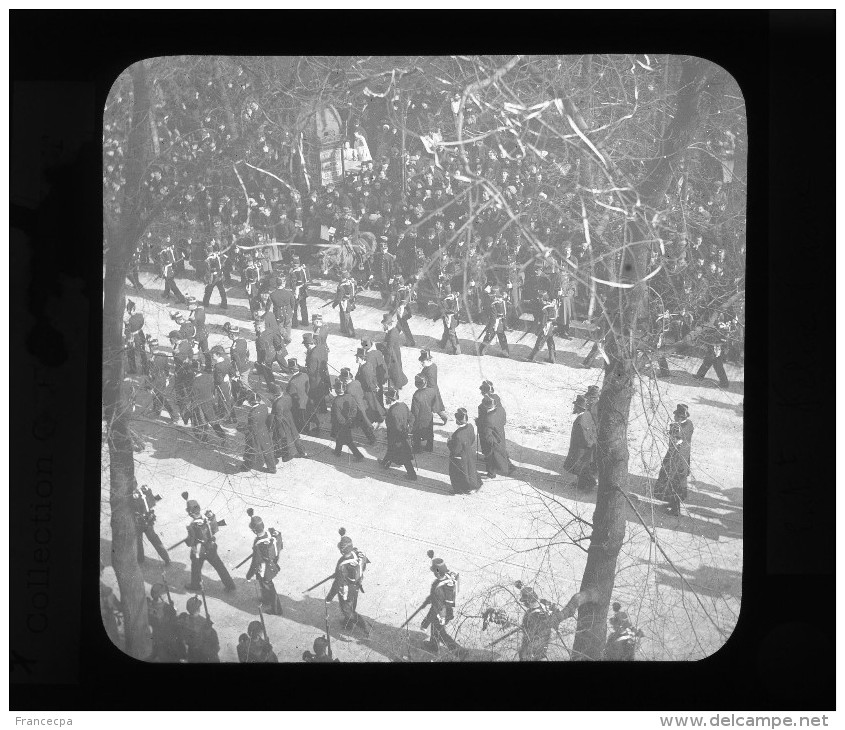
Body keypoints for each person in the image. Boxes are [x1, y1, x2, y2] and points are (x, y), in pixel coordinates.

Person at [182, 494, 236, 592]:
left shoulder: (192, 526)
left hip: (199, 551)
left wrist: (187, 540)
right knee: (220, 567)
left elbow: (191, 542)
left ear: (191, 514)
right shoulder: (208, 519)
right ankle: (230, 585)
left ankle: (195, 585)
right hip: (211, 547)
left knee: (195, 567)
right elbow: (215, 530)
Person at [420, 553, 468, 659]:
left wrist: (434, 619)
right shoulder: (447, 579)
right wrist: (429, 600)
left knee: (441, 634)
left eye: (434, 572)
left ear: (437, 573)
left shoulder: (439, 588)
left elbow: (438, 605)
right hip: (444, 610)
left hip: (441, 613)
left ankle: (460, 652)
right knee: (435, 629)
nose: (434, 574)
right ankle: (433, 646)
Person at [325, 528, 371, 636]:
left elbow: (337, 585)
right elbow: (363, 565)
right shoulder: (358, 554)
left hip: (346, 590)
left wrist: (329, 598)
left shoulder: (342, 565)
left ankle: (365, 626)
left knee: (347, 610)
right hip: (356, 587)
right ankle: (348, 624)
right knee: (352, 605)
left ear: (341, 551)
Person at [653, 404, 694, 516]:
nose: (674, 417)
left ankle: (676, 509)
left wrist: (672, 431)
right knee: (677, 481)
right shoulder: (689, 424)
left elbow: (674, 443)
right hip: (684, 457)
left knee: (673, 481)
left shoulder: (676, 427)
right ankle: (672, 503)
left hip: (675, 458)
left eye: (676, 415)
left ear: (680, 417)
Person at [245, 510, 283, 616]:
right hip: (273, 564)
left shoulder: (258, 544)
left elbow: (255, 563)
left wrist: (249, 575)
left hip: (265, 569)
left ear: (254, 531)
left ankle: (277, 610)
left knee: (269, 588)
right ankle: (266, 599)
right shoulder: (272, 534)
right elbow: (280, 544)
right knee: (264, 584)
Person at [515, 583, 564, 662]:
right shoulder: (544, 602)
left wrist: (523, 652)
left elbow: (528, 636)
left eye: (525, 602)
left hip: (535, 644)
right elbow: (557, 611)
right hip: (545, 639)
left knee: (526, 656)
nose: (524, 604)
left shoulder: (530, 616)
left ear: (529, 602)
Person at [380, 387, 417, 480]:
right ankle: (385, 463)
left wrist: (403, 434)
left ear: (390, 399)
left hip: (397, 437)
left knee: (404, 457)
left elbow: (396, 428)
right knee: (391, 450)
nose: (385, 400)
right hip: (402, 435)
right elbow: (412, 417)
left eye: (386, 398)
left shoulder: (393, 412)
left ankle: (412, 475)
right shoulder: (403, 405)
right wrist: (409, 429)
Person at [131, 480, 170, 565]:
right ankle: (166, 558)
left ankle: (140, 560)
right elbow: (152, 502)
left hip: (138, 523)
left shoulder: (129, 497)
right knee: (155, 540)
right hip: (148, 521)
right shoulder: (144, 491)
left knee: (138, 541)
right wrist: (156, 498)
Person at [563, 394, 598, 491]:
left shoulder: (582, 418)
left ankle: (588, 485)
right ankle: (582, 484)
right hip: (582, 447)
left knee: (581, 467)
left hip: (581, 448)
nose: (574, 407)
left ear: (579, 408)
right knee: (581, 467)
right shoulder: (586, 415)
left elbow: (585, 434)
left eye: (576, 406)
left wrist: (589, 445)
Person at [477, 394, 516, 479]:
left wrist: (479, 423)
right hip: (500, 435)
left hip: (493, 442)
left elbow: (487, 436)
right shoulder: (501, 410)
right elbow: (504, 422)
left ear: (486, 406)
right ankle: (509, 467)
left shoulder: (488, 418)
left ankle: (491, 474)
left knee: (490, 457)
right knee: (502, 453)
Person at [267, 384, 309, 461]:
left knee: (285, 439)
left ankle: (287, 455)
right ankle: (302, 452)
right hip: (289, 418)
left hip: (283, 422)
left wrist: (272, 423)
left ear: (274, 394)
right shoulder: (287, 397)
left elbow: (278, 418)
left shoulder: (277, 404)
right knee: (295, 436)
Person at [188, 360, 227, 443]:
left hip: (200, 404)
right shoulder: (209, 376)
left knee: (201, 422)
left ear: (194, 371)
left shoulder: (194, 383)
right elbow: (213, 388)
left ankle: (204, 438)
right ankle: (223, 436)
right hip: (210, 401)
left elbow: (194, 397)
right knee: (213, 420)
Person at [446, 408, 481, 494]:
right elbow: (472, 439)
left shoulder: (458, 435)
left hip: (460, 457)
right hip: (469, 452)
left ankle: (459, 490)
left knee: (457, 474)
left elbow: (455, 450)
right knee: (470, 471)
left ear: (457, 421)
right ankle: (473, 486)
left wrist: (449, 442)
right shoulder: (470, 426)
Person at [147, 583, 185, 662]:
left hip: (156, 637)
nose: (165, 596)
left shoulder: (149, 605)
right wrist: (172, 611)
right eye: (164, 594)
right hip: (165, 639)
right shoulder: (166, 608)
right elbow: (172, 623)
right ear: (160, 596)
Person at [241, 391, 277, 474]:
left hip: (255, 434)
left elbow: (252, 427)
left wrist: (244, 429)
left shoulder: (252, 414)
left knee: (251, 450)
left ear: (251, 402)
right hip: (263, 430)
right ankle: (272, 468)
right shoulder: (264, 407)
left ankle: (247, 466)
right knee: (267, 450)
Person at [178, 595, 220, 663]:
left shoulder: (184, 620)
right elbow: (215, 644)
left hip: (191, 652)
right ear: (198, 609)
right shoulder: (204, 623)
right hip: (202, 654)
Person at [339, 367, 376, 444]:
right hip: (362, 404)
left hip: (357, 409)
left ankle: (372, 439)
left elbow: (348, 402)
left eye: (342, 379)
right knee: (363, 423)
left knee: (364, 426)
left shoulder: (348, 390)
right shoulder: (357, 382)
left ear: (345, 380)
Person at [330, 378, 364, 461]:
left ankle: (359, 456)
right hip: (348, 422)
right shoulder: (349, 397)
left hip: (340, 424)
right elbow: (354, 408)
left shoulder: (336, 402)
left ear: (336, 391)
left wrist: (343, 423)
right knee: (339, 438)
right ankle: (337, 452)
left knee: (348, 441)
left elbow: (338, 417)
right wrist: (350, 418)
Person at [304, 332, 330, 433]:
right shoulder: (321, 348)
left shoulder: (312, 356)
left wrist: (301, 369)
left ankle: (317, 409)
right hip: (323, 376)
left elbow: (311, 371)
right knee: (321, 393)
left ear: (308, 344)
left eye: (306, 345)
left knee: (313, 394)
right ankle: (323, 408)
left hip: (315, 379)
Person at [694, 320, 731, 388]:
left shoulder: (723, 333)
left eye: (718, 328)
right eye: (716, 327)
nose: (717, 329)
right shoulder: (715, 332)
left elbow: (723, 342)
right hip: (712, 349)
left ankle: (724, 383)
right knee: (706, 362)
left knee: (718, 367)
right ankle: (699, 375)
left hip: (718, 351)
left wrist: (712, 343)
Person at [354, 347, 385, 425]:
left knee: (371, 405)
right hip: (369, 389)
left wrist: (374, 388)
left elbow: (369, 383)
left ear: (362, 358)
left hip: (367, 391)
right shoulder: (365, 365)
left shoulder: (365, 369)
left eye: (357, 357)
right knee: (373, 404)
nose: (356, 359)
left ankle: (376, 418)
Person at [478, 285, 511, 358]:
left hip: (495, 322)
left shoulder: (494, 304)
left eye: (492, 295)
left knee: (489, 336)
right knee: (502, 336)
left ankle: (481, 351)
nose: (491, 296)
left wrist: (489, 328)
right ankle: (506, 352)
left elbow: (493, 317)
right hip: (501, 321)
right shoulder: (503, 300)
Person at [418, 349, 449, 425]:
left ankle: (443, 417)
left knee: (434, 406)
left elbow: (431, 384)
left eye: (423, 362)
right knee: (436, 406)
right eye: (421, 362)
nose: (421, 363)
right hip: (432, 390)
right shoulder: (433, 365)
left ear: (428, 360)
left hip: (430, 391)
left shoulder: (429, 371)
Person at [527, 290, 558, 364]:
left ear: (541, 299)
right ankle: (552, 358)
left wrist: (538, 331)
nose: (538, 300)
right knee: (550, 342)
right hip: (551, 327)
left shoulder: (543, 309)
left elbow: (543, 322)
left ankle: (531, 357)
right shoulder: (551, 305)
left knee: (539, 343)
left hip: (546, 328)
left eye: (539, 298)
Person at [409, 373, 437, 453]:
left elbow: (414, 411)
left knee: (417, 433)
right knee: (429, 432)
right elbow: (434, 403)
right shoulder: (432, 391)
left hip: (419, 418)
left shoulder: (416, 395)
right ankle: (429, 447)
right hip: (429, 416)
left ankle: (417, 449)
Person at [381, 314, 408, 390]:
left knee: (394, 371)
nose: (383, 326)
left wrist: (387, 362)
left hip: (393, 355)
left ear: (387, 324)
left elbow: (389, 349)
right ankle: (399, 384)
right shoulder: (394, 330)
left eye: (383, 325)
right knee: (398, 369)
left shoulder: (391, 334)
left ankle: (397, 385)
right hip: (396, 352)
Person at [285, 357, 312, 435]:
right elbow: (308, 388)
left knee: (299, 419)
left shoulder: (292, 382)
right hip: (306, 400)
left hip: (298, 404)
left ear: (291, 370)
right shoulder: (305, 375)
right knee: (306, 417)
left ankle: (302, 430)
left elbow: (290, 395)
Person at [267, 276, 295, 345]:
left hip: (278, 313)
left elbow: (268, 304)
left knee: (280, 326)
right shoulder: (289, 293)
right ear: (283, 284)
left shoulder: (272, 294)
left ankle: (286, 337)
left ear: (276, 284)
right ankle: (287, 338)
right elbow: (293, 302)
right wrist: (293, 309)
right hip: (288, 311)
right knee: (288, 325)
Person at [186, 297, 212, 372]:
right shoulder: (197, 310)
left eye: (188, 305)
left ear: (193, 304)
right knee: (204, 350)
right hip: (202, 333)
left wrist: (191, 320)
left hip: (199, 335)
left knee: (196, 351)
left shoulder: (197, 313)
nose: (187, 306)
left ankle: (198, 367)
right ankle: (207, 366)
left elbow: (195, 324)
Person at [436, 281, 461, 354]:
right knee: (447, 330)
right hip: (454, 317)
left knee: (451, 333)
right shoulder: (455, 296)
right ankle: (442, 344)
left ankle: (456, 350)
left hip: (450, 318)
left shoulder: (447, 299)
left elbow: (446, 310)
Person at [391, 274, 416, 346]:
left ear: (398, 283)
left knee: (405, 327)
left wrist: (392, 312)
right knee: (400, 325)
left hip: (402, 312)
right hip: (406, 310)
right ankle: (391, 337)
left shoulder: (399, 292)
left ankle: (410, 342)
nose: (394, 283)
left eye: (395, 282)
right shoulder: (405, 289)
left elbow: (396, 304)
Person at [332, 269, 358, 338]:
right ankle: (343, 329)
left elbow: (339, 298)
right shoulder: (351, 282)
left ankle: (351, 333)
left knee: (347, 318)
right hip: (349, 302)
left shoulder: (342, 286)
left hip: (345, 303)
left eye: (339, 276)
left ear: (342, 277)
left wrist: (334, 304)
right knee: (342, 315)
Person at [287, 254, 310, 327]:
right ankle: (305, 322)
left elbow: (294, 284)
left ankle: (294, 323)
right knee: (303, 307)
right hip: (303, 291)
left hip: (296, 292)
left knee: (294, 307)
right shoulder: (304, 270)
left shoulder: (294, 272)